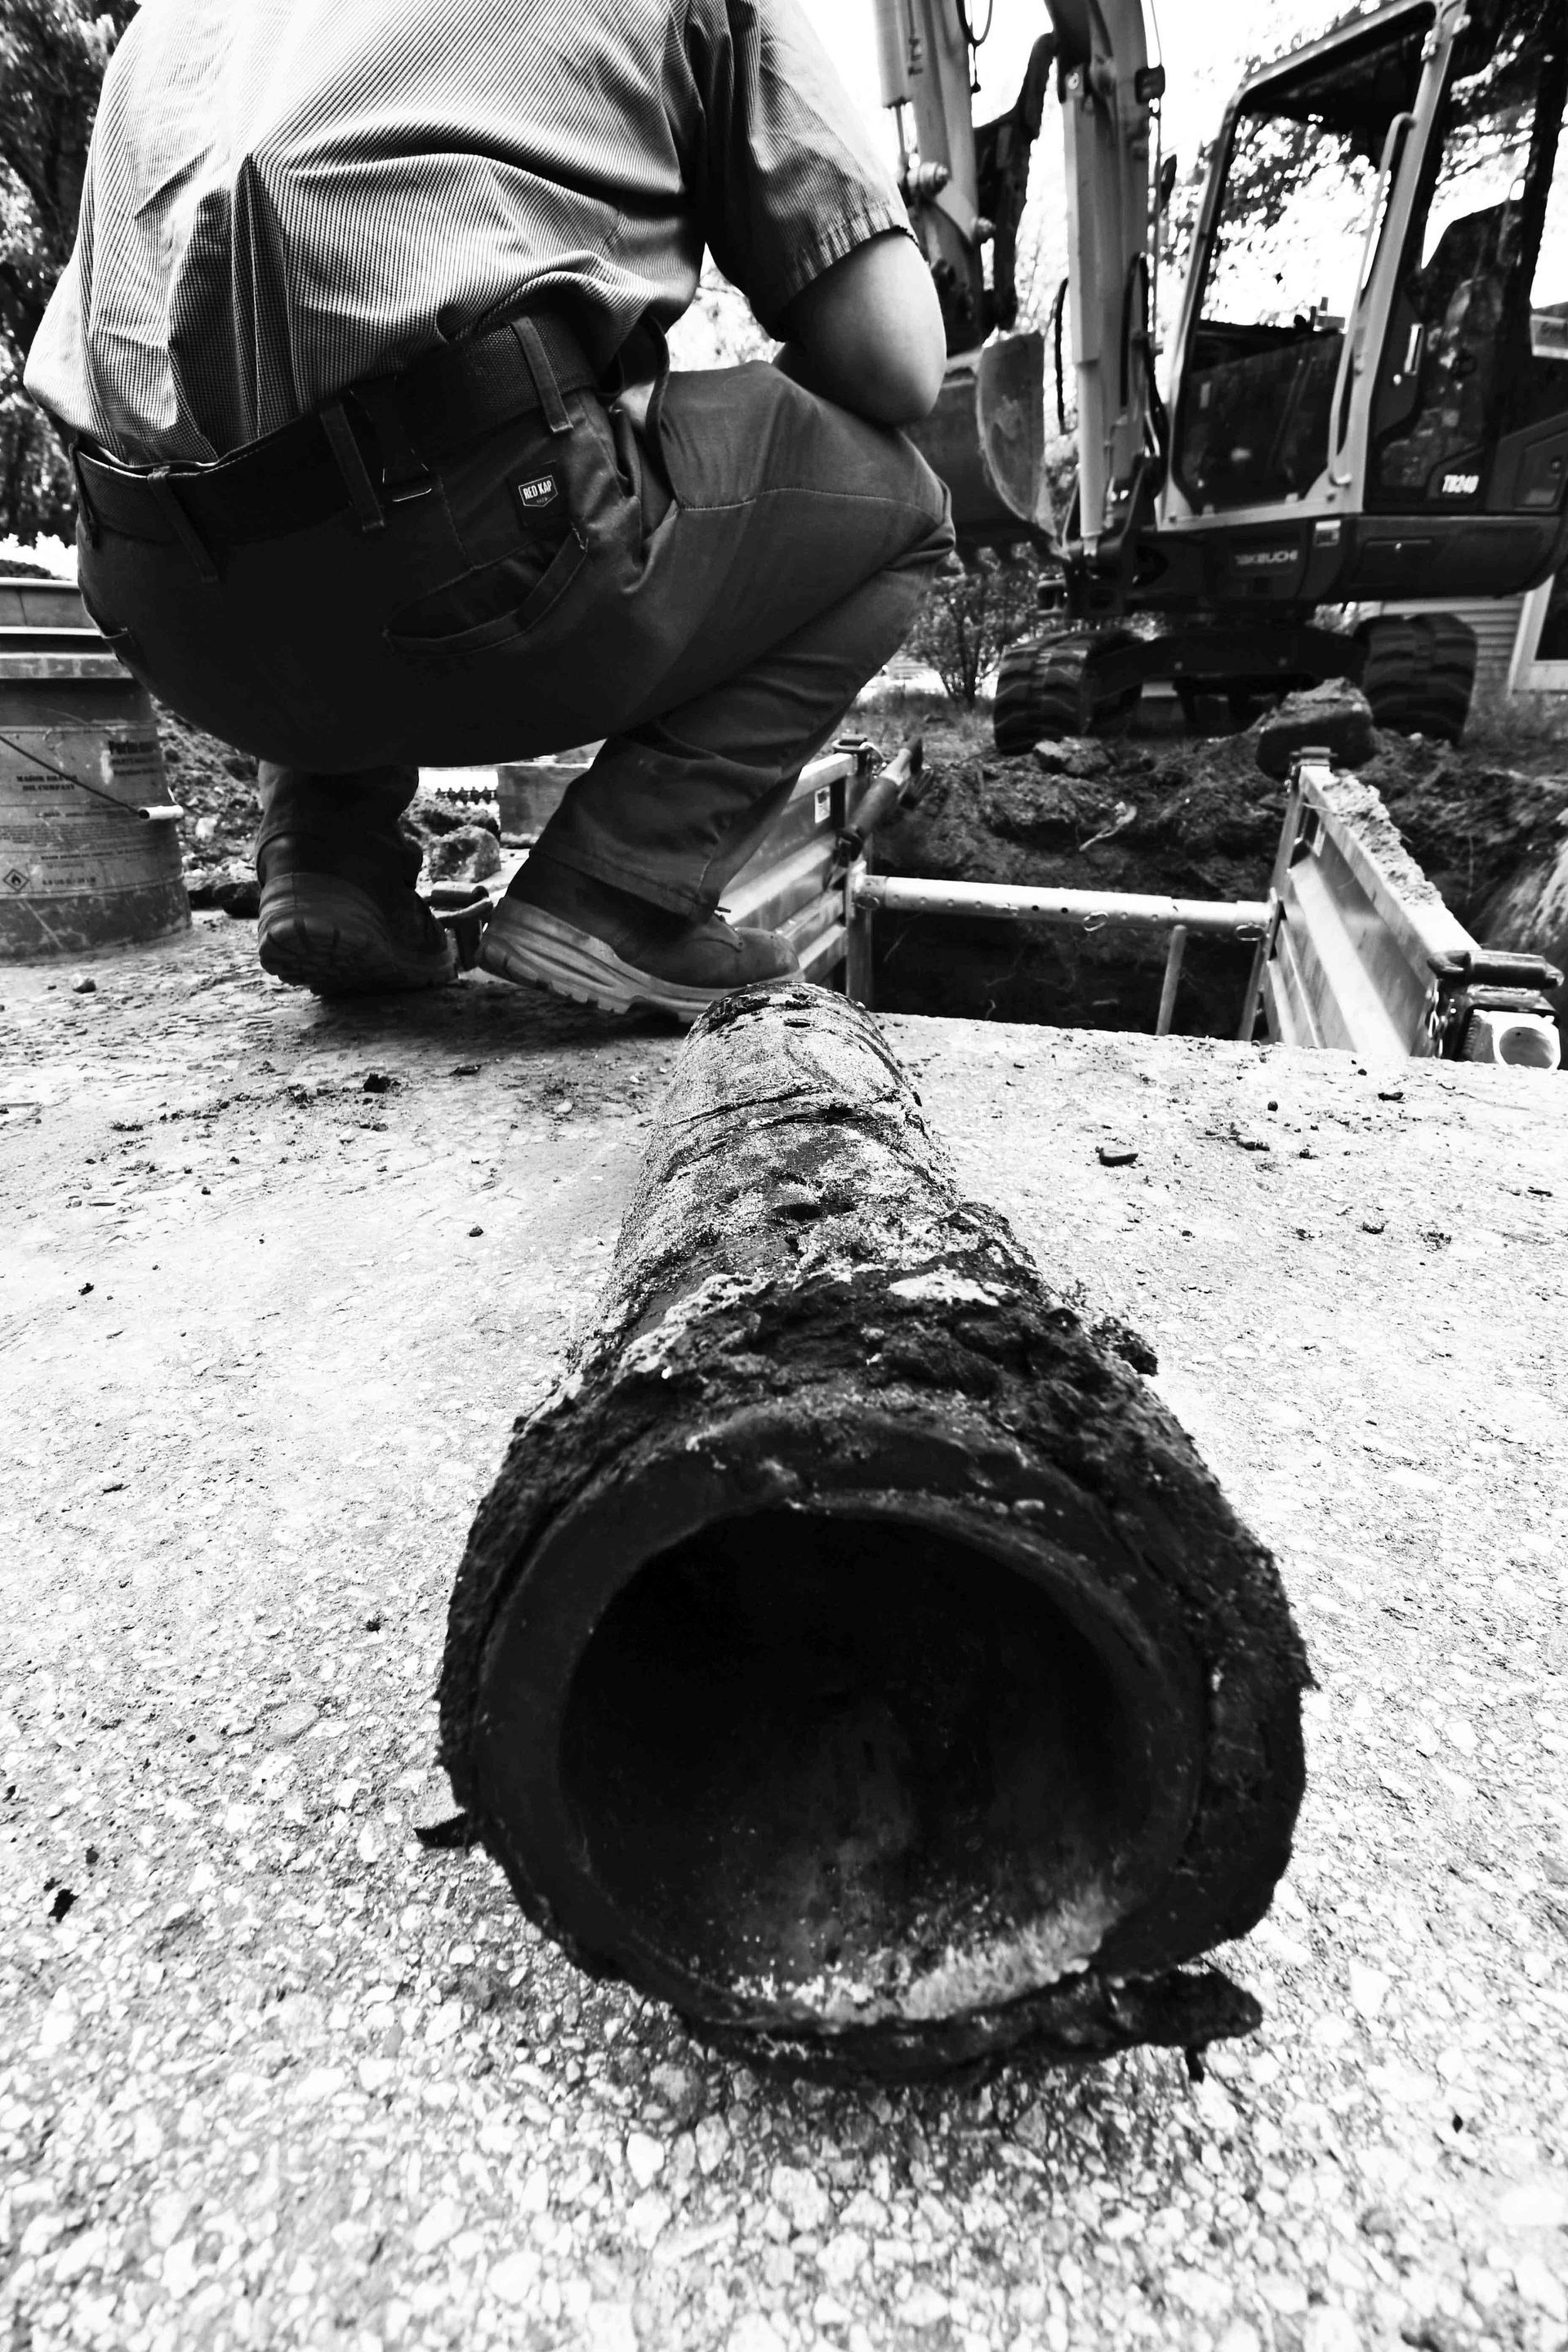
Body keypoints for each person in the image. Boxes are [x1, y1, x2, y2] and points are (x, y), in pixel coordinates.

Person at [24, 0, 954, 1020]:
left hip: (161, 606)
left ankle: (330, 855)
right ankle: (619, 893)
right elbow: (896, 359)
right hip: (476, 564)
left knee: (296, 408)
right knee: (903, 504)